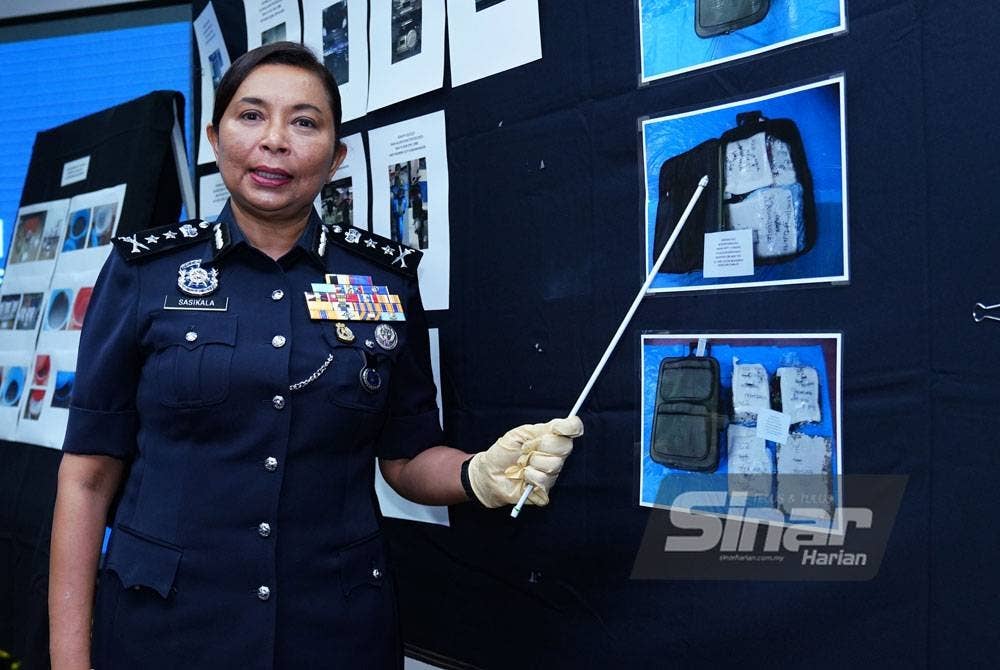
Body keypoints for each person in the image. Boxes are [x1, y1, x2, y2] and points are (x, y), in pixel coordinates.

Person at [48, 42, 582, 670]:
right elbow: (86, 478)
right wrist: (68, 660)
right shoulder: (145, 272)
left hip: (334, 629)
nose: (275, 141)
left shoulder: (382, 280)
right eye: (251, 116)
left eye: (304, 122)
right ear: (215, 139)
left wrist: (480, 473)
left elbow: (407, 457)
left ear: (336, 156)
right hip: (165, 628)